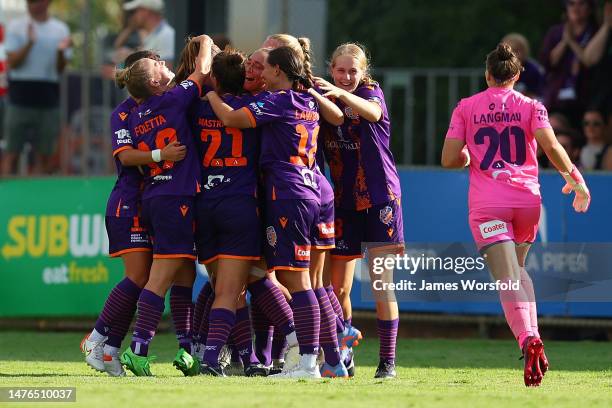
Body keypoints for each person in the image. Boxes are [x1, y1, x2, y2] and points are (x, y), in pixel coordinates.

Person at [441, 43, 591, 387]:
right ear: (518, 76)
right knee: (519, 271)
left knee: (507, 278)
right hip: (526, 201)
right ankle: (533, 333)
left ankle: (527, 340)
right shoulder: (532, 106)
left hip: (488, 204)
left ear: (487, 74)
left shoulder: (466, 107)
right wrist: (576, 180)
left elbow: (450, 159)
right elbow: (552, 147)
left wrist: (468, 156)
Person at [206, 45, 344, 378]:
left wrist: (211, 94)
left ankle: (309, 361)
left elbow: (230, 118)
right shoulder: (308, 100)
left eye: (265, 68)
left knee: (297, 280)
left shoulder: (278, 100)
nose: (261, 75)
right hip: (310, 191)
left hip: (289, 194)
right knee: (294, 277)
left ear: (279, 71)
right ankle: (314, 357)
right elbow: (336, 116)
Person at [80, 50, 187, 377]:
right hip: (128, 204)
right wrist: (161, 154)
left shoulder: (166, 100)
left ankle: (111, 349)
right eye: (156, 63)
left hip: (153, 202)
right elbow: (126, 157)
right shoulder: (123, 114)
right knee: (138, 277)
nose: (162, 66)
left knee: (148, 282)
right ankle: (96, 338)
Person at [115, 34, 212, 377]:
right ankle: (138, 349)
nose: (165, 64)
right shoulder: (171, 100)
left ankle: (186, 350)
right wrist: (205, 39)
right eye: (158, 64)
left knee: (184, 276)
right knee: (160, 279)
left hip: (159, 196)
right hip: (174, 198)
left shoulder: (139, 113)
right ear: (156, 81)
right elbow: (201, 70)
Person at [315, 42, 404, 379]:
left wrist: (338, 93)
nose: (347, 76)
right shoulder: (323, 98)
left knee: (382, 285)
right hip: (343, 202)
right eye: (340, 70)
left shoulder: (371, 92)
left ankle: (388, 362)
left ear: (364, 72)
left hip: (381, 200)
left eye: (353, 70)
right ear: (331, 69)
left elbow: (374, 113)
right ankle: (344, 355)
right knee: (336, 288)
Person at [190, 48, 268, 377]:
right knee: (230, 291)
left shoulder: (194, 108)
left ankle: (248, 359)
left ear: (215, 79)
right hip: (238, 205)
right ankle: (211, 359)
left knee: (226, 289)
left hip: (204, 206)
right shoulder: (255, 108)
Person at [2, 0, 71, 175]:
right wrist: (30, 43)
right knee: (12, 152)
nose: (31, 5)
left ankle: (40, 198)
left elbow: (60, 68)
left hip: (48, 97)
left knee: (45, 154)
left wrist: (60, 52)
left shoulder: (60, 29)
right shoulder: (16, 26)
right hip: (19, 96)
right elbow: (13, 63)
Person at [539, 0, 599, 126]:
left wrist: (571, 41)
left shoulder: (596, 31)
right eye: (571, 4)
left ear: (590, 8)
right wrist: (565, 41)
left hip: (586, 99)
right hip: (556, 99)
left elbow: (591, 63)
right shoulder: (555, 32)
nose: (576, 8)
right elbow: (548, 63)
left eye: (581, 4)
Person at [120, 0, 175, 66]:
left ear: (145, 12)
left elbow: (167, 70)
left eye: (134, 11)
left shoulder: (166, 35)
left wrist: (133, 60)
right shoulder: (155, 35)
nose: (133, 17)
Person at [501, 33, 545, 100]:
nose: (516, 55)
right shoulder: (502, 69)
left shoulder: (533, 70)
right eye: (511, 51)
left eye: (518, 51)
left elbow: (539, 96)